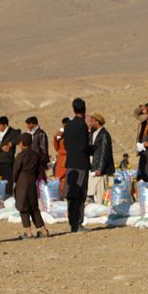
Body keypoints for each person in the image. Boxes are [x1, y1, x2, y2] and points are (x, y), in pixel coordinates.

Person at [13, 133, 49, 239]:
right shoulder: (35, 155)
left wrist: (14, 180)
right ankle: (43, 230)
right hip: (32, 181)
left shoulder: (21, 155)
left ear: (22, 143)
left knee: (23, 206)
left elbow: (16, 170)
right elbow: (39, 170)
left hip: (22, 181)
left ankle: (28, 232)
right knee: (34, 207)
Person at [62, 98, 91, 233]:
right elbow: (83, 146)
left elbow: (67, 146)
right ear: (84, 109)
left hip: (70, 163)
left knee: (71, 194)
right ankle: (78, 223)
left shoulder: (68, 126)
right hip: (80, 164)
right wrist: (93, 149)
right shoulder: (82, 125)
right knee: (80, 194)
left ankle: (72, 222)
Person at [87, 113, 115, 203]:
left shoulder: (103, 134)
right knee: (93, 192)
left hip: (101, 171)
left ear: (97, 122)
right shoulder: (94, 133)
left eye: (92, 122)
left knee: (101, 195)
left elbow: (104, 153)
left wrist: (100, 169)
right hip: (94, 168)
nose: (90, 124)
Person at [0, 116, 21, 196]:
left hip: (7, 160)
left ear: (5, 125)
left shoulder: (12, 132)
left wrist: (10, 144)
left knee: (8, 180)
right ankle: (0, 195)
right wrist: (2, 148)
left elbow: (18, 138)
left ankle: (8, 196)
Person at [25, 116, 50, 183]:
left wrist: (41, 160)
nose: (27, 126)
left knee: (40, 180)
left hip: (39, 161)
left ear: (33, 124)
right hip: (31, 160)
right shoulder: (29, 133)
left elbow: (43, 149)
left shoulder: (40, 133)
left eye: (28, 124)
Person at [53, 117, 70, 195]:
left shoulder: (72, 135)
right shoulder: (61, 135)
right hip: (60, 158)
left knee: (65, 178)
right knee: (58, 178)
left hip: (67, 158)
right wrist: (55, 138)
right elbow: (57, 148)